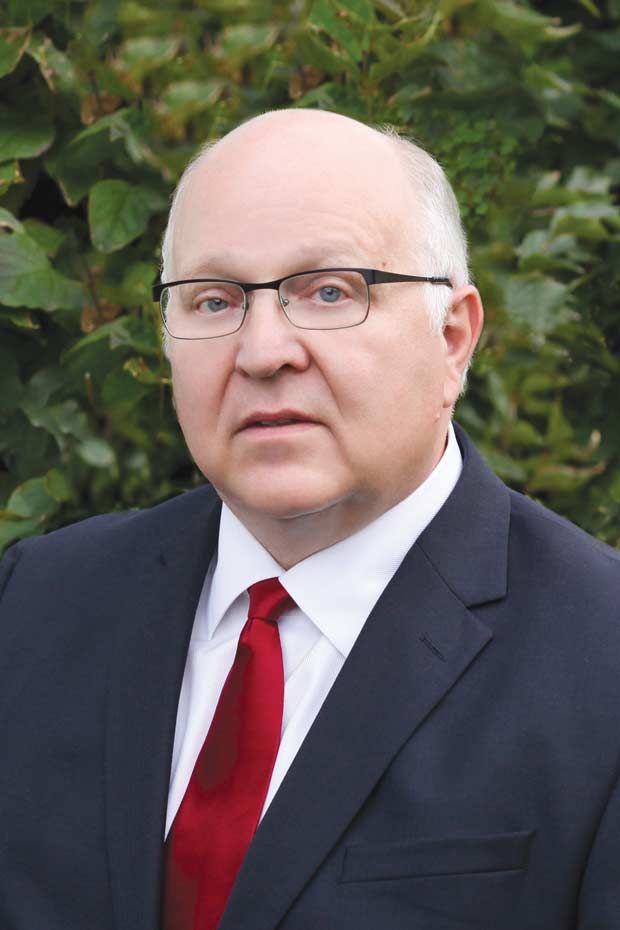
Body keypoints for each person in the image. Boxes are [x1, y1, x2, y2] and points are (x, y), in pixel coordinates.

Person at [0, 108, 619, 930]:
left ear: (453, 339)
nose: (263, 352)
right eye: (213, 300)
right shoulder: (35, 604)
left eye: (329, 292)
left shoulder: (601, 657)